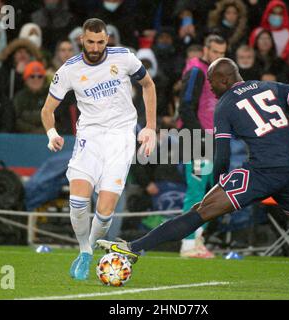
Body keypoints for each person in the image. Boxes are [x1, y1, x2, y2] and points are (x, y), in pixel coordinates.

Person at [98, 57, 289, 293]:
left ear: (225, 78)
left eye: (212, 83)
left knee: (199, 211)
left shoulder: (225, 105)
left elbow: (222, 154)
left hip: (261, 171)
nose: (210, 89)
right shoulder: (270, 87)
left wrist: (221, 183)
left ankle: (132, 248)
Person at [40, 18, 157, 280]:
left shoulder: (125, 58)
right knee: (79, 201)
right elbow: (47, 109)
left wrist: (150, 126)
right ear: (82, 39)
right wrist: (51, 133)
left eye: (100, 42)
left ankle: (90, 246)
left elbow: (148, 85)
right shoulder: (69, 70)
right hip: (89, 137)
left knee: (104, 211)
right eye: (90, 42)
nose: (95, 47)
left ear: (107, 40)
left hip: (120, 137)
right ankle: (84, 251)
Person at [177, 34, 227, 258]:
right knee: (196, 190)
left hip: (210, 139)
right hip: (197, 139)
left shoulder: (215, 73)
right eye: (215, 52)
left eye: (222, 53)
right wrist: (199, 137)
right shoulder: (196, 71)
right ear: (205, 50)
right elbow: (185, 107)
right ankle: (188, 243)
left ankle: (197, 239)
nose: (218, 56)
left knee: (208, 191)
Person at [14, 61, 48, 134]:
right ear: (25, 79)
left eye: (40, 76)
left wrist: (43, 130)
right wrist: (33, 130)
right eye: (32, 76)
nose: (36, 79)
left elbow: (56, 118)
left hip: (47, 137)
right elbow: (16, 119)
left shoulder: (51, 96)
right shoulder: (20, 96)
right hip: (23, 137)